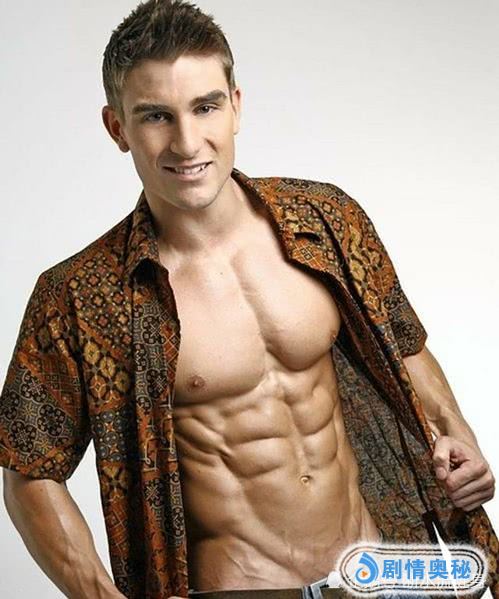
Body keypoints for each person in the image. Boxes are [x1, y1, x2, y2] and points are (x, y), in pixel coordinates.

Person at [0, 1, 497, 598]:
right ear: (117, 128)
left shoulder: (326, 221)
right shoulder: (80, 296)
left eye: (205, 106)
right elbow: (29, 470)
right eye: (156, 116)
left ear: (236, 106)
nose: (187, 142)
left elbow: (403, 342)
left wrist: (454, 430)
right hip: (243, 584)